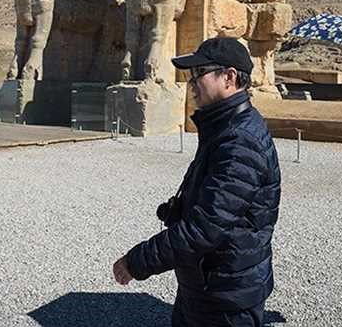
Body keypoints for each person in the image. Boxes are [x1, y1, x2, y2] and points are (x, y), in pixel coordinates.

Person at [113, 37, 281, 327]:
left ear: (228, 77)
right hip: (207, 282)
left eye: (198, 74)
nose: (191, 83)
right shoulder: (226, 127)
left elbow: (206, 228)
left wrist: (137, 261)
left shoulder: (240, 141)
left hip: (226, 294)